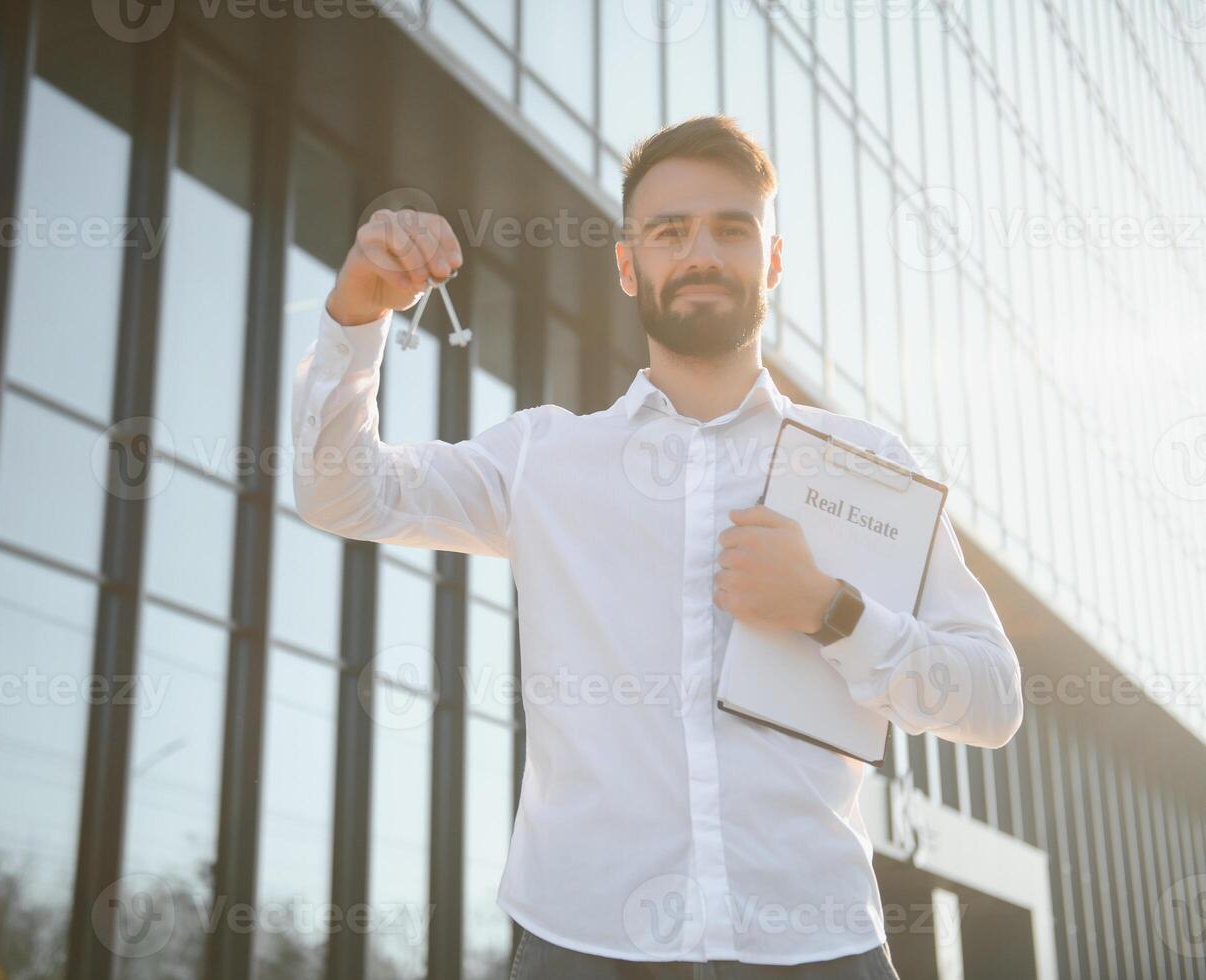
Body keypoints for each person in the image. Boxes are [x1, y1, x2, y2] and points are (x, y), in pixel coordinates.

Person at [290, 115, 1022, 979]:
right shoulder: (541, 459)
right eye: (670, 231)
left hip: (818, 941)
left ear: (772, 261)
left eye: (731, 228)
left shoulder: (868, 468)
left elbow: (990, 700)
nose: (700, 252)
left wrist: (830, 611)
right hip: (582, 942)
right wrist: (356, 316)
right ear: (628, 263)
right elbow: (341, 493)